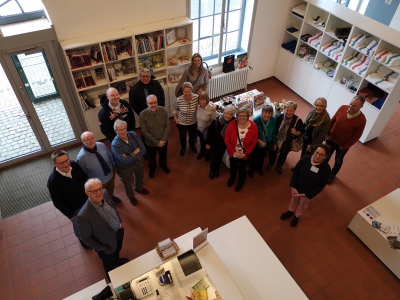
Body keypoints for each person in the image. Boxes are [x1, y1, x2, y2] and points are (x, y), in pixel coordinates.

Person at [77, 178, 129, 281]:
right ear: (87, 193)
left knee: (117, 249)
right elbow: (85, 238)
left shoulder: (105, 193)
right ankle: (111, 278)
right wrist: (101, 247)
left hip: (118, 232)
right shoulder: (83, 216)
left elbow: (114, 207)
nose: (99, 192)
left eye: (100, 188)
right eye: (94, 190)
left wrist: (119, 221)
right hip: (105, 245)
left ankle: (116, 260)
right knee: (108, 263)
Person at [280, 144, 331, 227]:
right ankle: (290, 211)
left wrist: (307, 194)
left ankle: (297, 216)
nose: (317, 156)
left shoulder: (326, 170)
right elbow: (296, 172)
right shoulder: (305, 159)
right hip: (296, 188)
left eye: (321, 154)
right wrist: (293, 186)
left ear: (325, 157)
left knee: (302, 205)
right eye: (316, 152)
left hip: (307, 193)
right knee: (294, 200)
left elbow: (321, 186)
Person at [47, 150, 90, 249]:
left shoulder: (74, 165)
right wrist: (70, 215)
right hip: (75, 209)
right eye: (61, 163)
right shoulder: (53, 181)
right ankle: (84, 241)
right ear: (55, 164)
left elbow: (85, 177)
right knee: (79, 228)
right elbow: (57, 202)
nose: (66, 164)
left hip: (87, 199)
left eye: (67, 160)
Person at [326, 95, 366, 184]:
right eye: (351, 104)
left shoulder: (362, 120)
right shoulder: (342, 108)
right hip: (331, 139)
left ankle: (332, 174)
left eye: (354, 105)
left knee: (338, 161)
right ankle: (321, 170)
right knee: (325, 156)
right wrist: (328, 133)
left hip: (342, 145)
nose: (351, 106)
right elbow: (332, 121)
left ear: (361, 107)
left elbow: (356, 136)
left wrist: (344, 147)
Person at [129, 68, 165, 159]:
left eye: (147, 76)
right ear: (140, 77)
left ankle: (159, 144)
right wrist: (141, 114)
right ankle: (147, 151)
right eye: (143, 76)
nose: (145, 78)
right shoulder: (134, 89)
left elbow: (162, 96)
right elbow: (132, 103)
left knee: (159, 129)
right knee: (145, 133)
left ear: (150, 76)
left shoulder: (156, 84)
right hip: (145, 115)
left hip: (157, 112)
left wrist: (161, 109)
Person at [76, 131, 121, 203]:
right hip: (98, 183)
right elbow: (82, 174)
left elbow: (110, 157)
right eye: (87, 140)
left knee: (110, 190)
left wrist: (114, 168)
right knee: (100, 196)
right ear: (83, 142)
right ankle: (104, 203)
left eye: (92, 138)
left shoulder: (101, 145)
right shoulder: (81, 158)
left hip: (110, 176)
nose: (91, 141)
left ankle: (111, 197)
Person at [111, 119, 149, 206]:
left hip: (137, 162)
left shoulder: (133, 134)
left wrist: (128, 155)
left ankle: (138, 188)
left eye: (124, 129)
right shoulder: (115, 144)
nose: (123, 131)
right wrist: (135, 152)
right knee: (127, 183)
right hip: (125, 167)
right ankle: (131, 196)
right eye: (120, 130)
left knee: (140, 176)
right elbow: (124, 160)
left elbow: (143, 149)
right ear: (115, 131)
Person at [291, 97, 331, 170]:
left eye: (321, 106)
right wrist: (299, 132)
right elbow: (306, 123)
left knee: (308, 157)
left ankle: (301, 168)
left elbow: (321, 136)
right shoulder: (312, 111)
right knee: (303, 153)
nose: (318, 107)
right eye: (316, 105)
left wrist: (312, 146)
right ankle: (300, 166)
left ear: (324, 107)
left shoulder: (326, 119)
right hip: (305, 136)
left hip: (313, 141)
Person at [224, 108, 258, 192]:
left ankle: (241, 182)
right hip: (233, 153)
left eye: (244, 116)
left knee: (242, 169)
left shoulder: (253, 126)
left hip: (244, 154)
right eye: (239, 115)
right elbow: (227, 140)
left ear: (247, 117)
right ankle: (232, 178)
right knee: (233, 167)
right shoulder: (232, 124)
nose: (241, 117)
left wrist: (246, 153)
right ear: (237, 116)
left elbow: (254, 141)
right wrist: (233, 152)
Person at [267, 101, 304, 174]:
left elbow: (302, 131)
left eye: (291, 111)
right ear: (284, 109)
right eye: (287, 110)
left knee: (283, 155)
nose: (288, 112)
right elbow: (274, 129)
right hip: (277, 140)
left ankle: (279, 165)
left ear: (294, 111)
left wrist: (296, 132)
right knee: (273, 153)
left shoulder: (297, 120)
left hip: (287, 142)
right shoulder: (279, 117)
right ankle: (271, 163)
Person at [139, 94, 171, 179]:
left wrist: (163, 140)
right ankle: (152, 169)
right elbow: (145, 132)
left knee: (163, 155)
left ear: (157, 102)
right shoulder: (142, 115)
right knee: (151, 158)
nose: (153, 105)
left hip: (163, 140)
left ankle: (163, 165)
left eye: (155, 102)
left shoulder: (163, 110)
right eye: (150, 103)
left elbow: (167, 126)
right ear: (147, 103)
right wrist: (157, 142)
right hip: (150, 143)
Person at [206, 104, 236, 179]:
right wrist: (208, 143)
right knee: (213, 157)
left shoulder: (233, 122)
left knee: (219, 157)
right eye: (227, 113)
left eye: (230, 114)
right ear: (224, 112)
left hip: (223, 144)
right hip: (214, 143)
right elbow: (210, 132)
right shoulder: (216, 121)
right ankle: (212, 169)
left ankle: (217, 169)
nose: (228, 116)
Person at [248, 105, 277, 177]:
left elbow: (274, 132)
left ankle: (259, 169)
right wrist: (258, 141)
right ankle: (251, 171)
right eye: (265, 112)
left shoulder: (273, 119)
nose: (267, 115)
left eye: (269, 113)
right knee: (254, 158)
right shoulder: (256, 120)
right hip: (257, 145)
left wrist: (275, 143)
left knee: (262, 157)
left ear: (272, 114)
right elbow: (251, 134)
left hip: (266, 144)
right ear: (262, 112)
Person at [173, 82, 198, 156]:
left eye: (189, 91)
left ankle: (192, 145)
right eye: (185, 92)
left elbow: (205, 102)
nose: (187, 93)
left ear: (192, 91)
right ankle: (183, 147)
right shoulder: (179, 100)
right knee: (182, 137)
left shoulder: (197, 98)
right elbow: (174, 108)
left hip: (193, 122)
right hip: (181, 123)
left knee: (193, 136)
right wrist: (175, 118)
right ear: (182, 92)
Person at [196, 91, 216, 160]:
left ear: (207, 100)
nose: (202, 102)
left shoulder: (211, 108)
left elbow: (214, 121)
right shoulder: (197, 106)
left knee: (208, 143)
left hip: (207, 131)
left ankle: (208, 153)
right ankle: (202, 151)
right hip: (199, 129)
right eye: (200, 99)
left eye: (204, 99)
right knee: (202, 141)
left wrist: (214, 106)